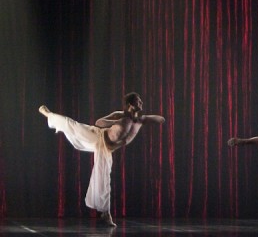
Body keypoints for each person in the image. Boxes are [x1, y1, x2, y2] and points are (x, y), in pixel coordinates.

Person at [39, 92, 165, 227]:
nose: (141, 103)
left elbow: (161, 119)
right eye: (139, 101)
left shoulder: (140, 120)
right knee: (73, 125)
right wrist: (116, 121)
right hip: (98, 136)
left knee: (104, 179)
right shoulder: (119, 115)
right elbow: (99, 122)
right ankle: (48, 114)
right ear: (130, 104)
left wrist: (144, 117)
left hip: (106, 149)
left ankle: (106, 214)